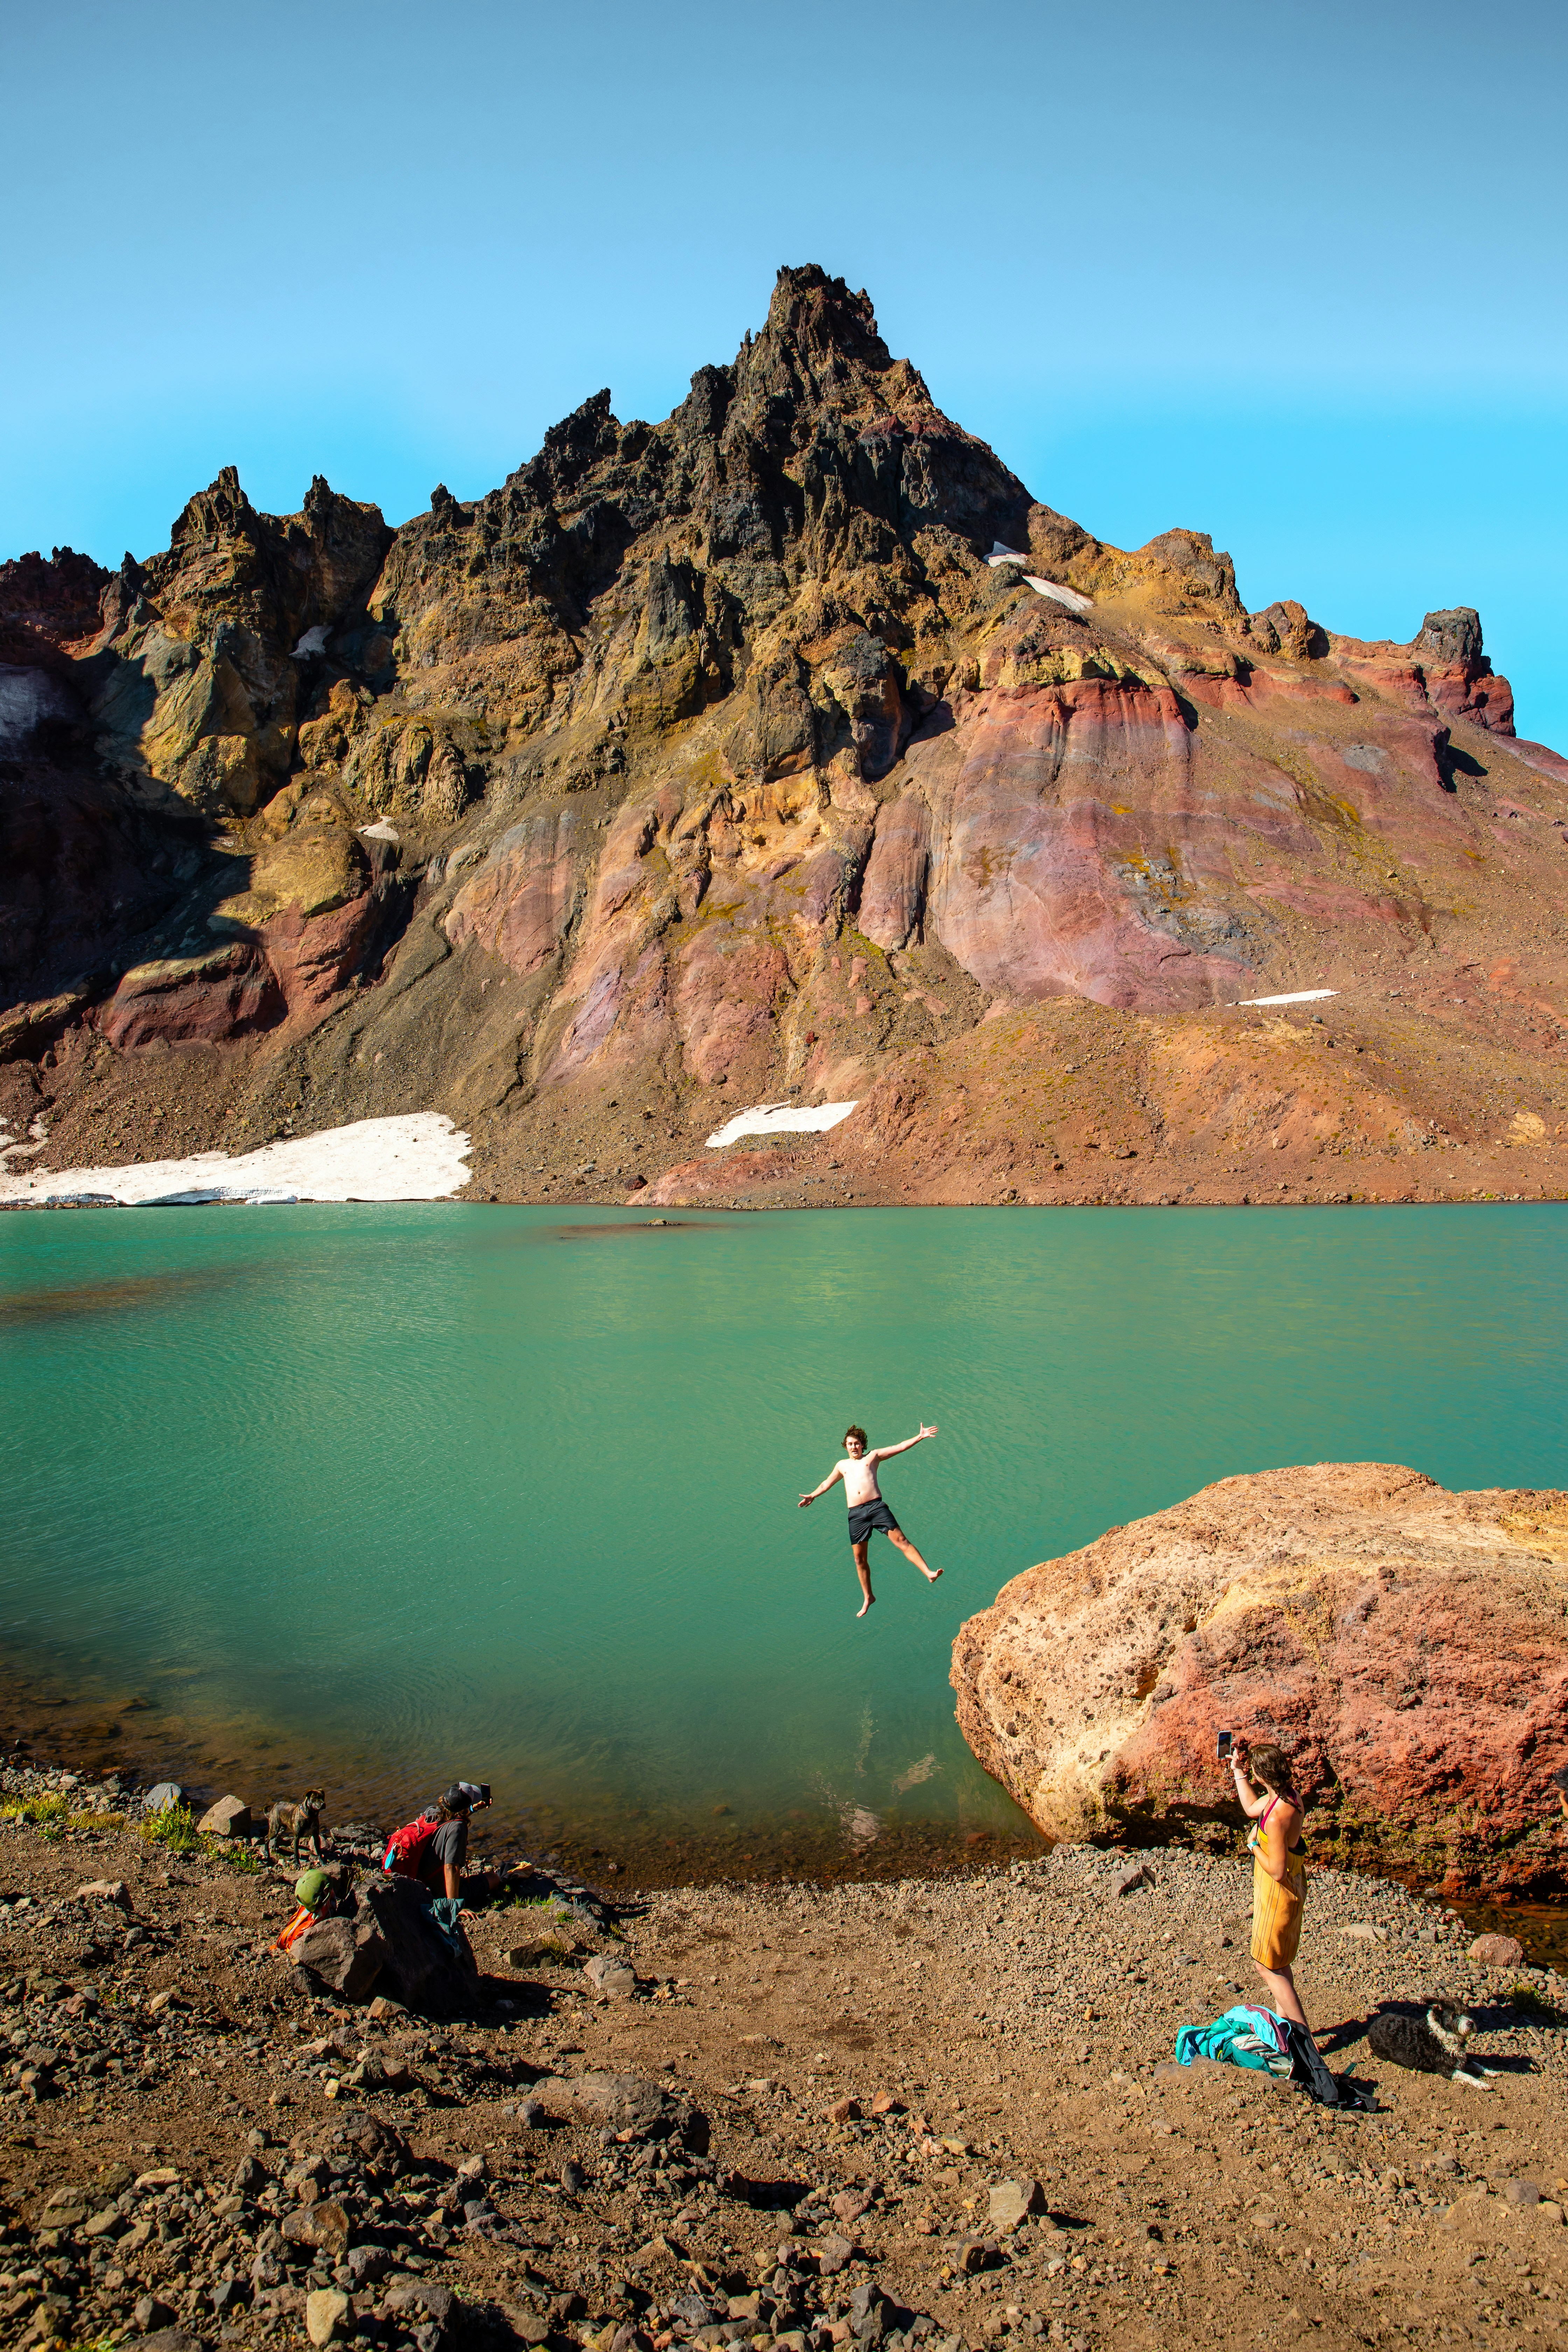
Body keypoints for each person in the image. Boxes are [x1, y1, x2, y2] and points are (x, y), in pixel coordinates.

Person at [799, 1422, 942, 1618]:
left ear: (862, 1445)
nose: (853, 1447)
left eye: (857, 1444)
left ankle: (928, 1573)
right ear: (846, 1446)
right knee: (859, 1559)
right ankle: (868, 1597)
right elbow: (827, 1483)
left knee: (902, 1541)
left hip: (876, 1508)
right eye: (850, 1444)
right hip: (856, 1514)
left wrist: (919, 1437)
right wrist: (813, 1495)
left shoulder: (873, 1458)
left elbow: (898, 1447)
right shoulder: (842, 1466)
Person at [1230, 1735, 1310, 2028]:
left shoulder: (1276, 1817)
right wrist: (1237, 1770)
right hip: (1291, 1891)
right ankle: (1284, 2029)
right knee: (1279, 1963)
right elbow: (1253, 1809)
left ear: (1262, 1775)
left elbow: (1277, 1870)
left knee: (1265, 1966)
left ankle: (1305, 2037)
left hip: (1278, 1896)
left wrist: (1253, 1846)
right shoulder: (1289, 1795)